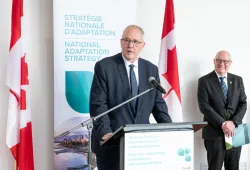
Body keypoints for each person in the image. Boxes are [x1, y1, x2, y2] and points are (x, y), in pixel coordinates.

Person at [89, 25, 172, 170]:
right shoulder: (105, 66)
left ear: (143, 45)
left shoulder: (151, 69)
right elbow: (98, 105)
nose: (130, 45)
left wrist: (171, 129)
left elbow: (158, 105)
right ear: (121, 42)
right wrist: (106, 133)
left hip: (141, 146)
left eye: (135, 41)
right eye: (127, 40)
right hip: (112, 144)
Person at [197, 50, 247, 170]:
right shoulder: (204, 81)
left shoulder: (237, 80)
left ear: (230, 63)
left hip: (235, 132)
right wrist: (223, 123)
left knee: (233, 167)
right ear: (214, 61)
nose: (222, 63)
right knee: (215, 167)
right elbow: (204, 106)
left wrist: (233, 123)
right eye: (219, 60)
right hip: (215, 133)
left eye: (225, 61)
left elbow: (243, 104)